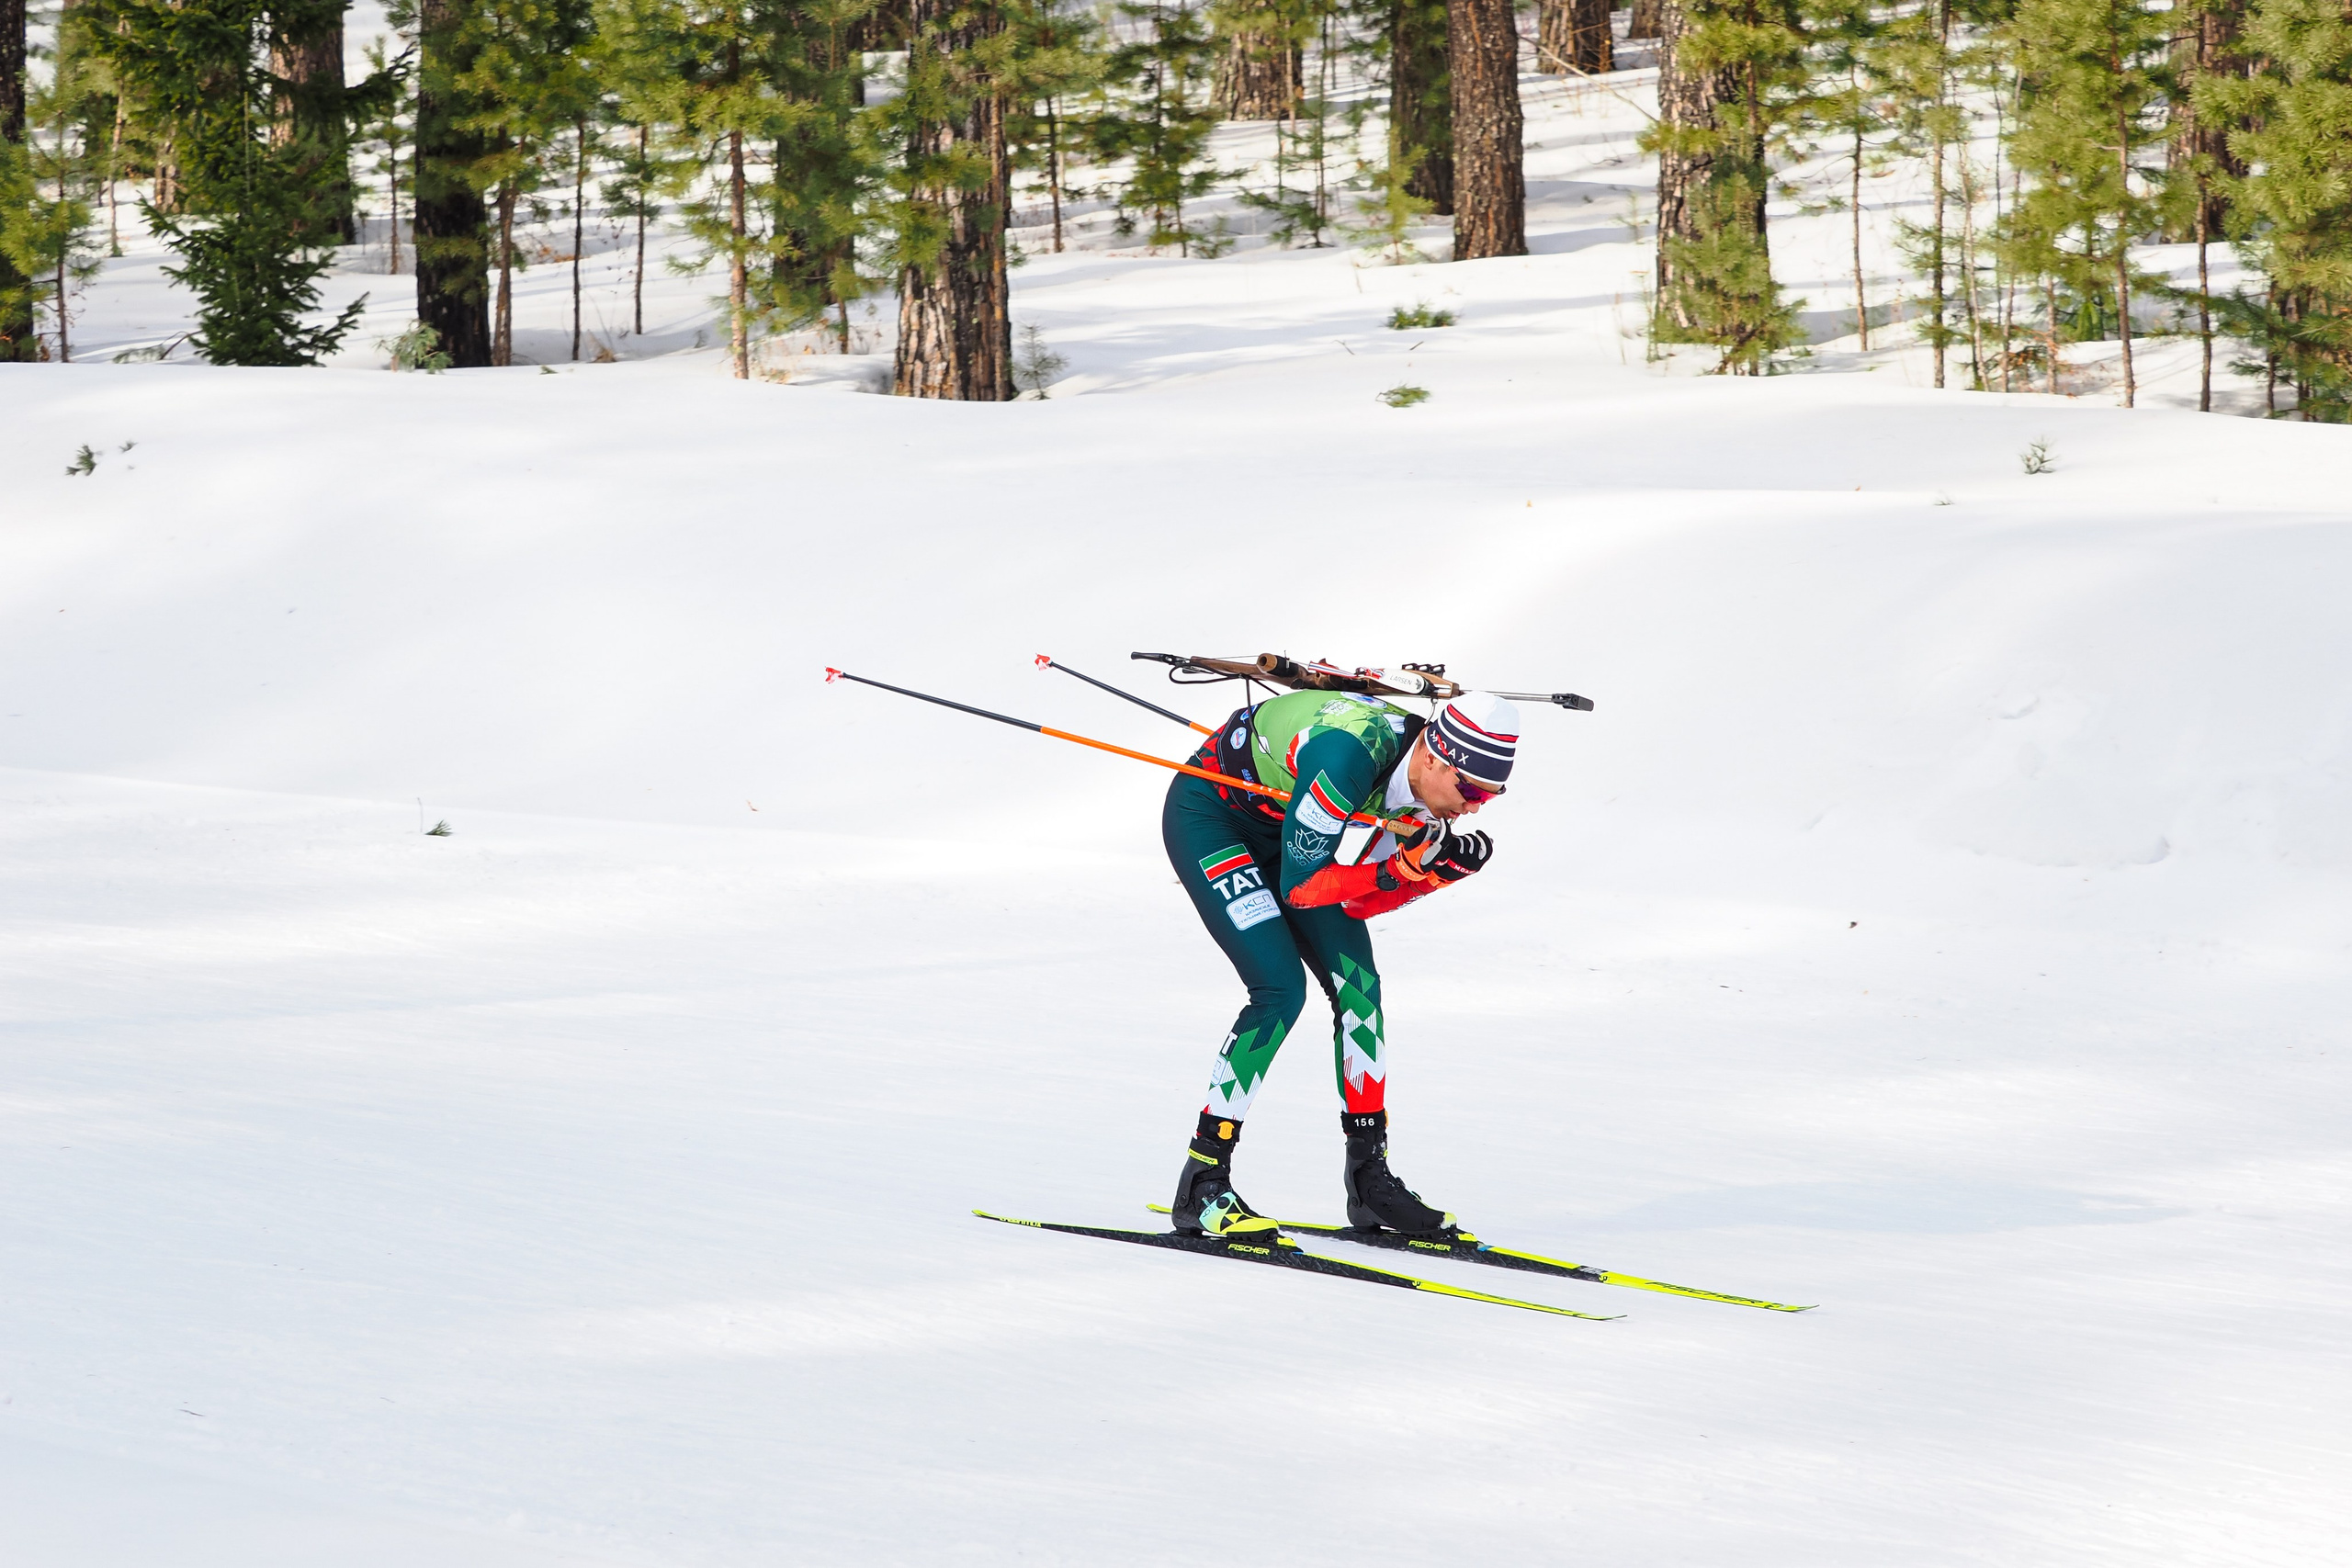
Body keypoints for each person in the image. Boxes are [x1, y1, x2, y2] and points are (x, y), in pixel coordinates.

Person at [1161, 686, 1519, 1239]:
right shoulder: (1347, 758)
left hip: (1291, 835)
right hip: (1212, 819)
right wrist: (1402, 869)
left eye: (1490, 797)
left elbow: (1356, 901)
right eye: (1470, 788)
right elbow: (1303, 889)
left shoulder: (1423, 787)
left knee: (1360, 988)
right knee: (1280, 989)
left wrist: (1433, 872)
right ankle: (1203, 1179)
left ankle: (1369, 1180)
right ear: (1431, 754)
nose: (1473, 806)